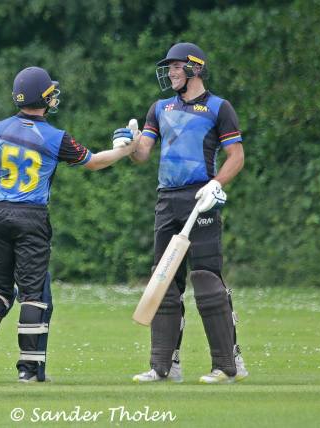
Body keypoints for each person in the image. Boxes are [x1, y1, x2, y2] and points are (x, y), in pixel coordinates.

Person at [0, 66, 135, 383]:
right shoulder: (55, 137)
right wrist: (125, 149)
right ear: (44, 98)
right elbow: (94, 162)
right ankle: (30, 370)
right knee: (34, 294)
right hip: (31, 219)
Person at [115, 42, 248, 384]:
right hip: (167, 200)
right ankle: (163, 367)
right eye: (169, 67)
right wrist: (129, 144)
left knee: (205, 279)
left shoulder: (219, 108)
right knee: (163, 281)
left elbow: (236, 156)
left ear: (195, 68)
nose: (171, 72)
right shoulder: (160, 108)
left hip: (201, 198)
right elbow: (143, 154)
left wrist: (216, 184)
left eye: (176, 66)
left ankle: (227, 366)